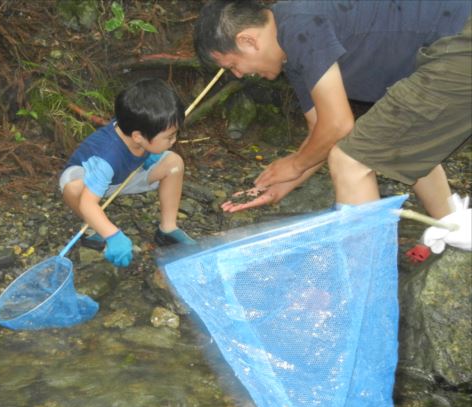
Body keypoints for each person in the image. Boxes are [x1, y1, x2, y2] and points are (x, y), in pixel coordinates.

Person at [194, 0, 471, 252]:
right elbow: (322, 133)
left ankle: (364, 283)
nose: (239, 75)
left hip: (461, 44)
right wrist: (281, 185)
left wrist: (295, 164)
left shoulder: (299, 24)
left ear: (248, 40)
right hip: (450, 51)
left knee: (351, 161)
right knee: (400, 140)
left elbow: (339, 125)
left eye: (233, 65)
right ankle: (455, 233)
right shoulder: (293, 53)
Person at [59, 78, 195, 268]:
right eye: (169, 137)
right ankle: (92, 228)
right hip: (89, 181)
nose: (174, 140)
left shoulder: (137, 128)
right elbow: (88, 203)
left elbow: (150, 148)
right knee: (73, 188)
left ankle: (168, 228)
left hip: (123, 176)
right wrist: (113, 235)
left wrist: (148, 156)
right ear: (138, 137)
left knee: (174, 163)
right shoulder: (107, 157)